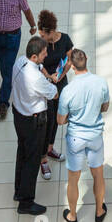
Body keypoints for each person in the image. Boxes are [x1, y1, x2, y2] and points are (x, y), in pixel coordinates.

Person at [57, 49, 110, 222]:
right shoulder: (101, 82)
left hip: (75, 140)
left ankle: (72, 215)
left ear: (71, 66)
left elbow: (60, 120)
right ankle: (99, 211)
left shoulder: (67, 90)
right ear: (86, 59)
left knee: (73, 179)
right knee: (98, 175)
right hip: (95, 136)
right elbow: (105, 106)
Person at [10, 36, 58, 215]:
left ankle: (18, 191)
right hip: (34, 121)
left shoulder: (20, 61)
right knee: (32, 160)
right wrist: (50, 80)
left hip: (19, 115)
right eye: (44, 54)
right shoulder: (35, 79)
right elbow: (53, 93)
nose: (46, 56)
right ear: (34, 57)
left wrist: (44, 74)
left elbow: (38, 69)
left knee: (22, 153)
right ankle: (26, 202)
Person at [37, 10, 73, 175]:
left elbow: (69, 58)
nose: (41, 37)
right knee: (47, 120)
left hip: (60, 83)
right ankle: (43, 158)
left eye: (43, 35)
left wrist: (62, 74)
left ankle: (50, 147)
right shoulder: (41, 44)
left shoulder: (64, 39)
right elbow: (38, 62)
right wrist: (49, 76)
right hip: (46, 85)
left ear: (51, 32)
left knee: (58, 119)